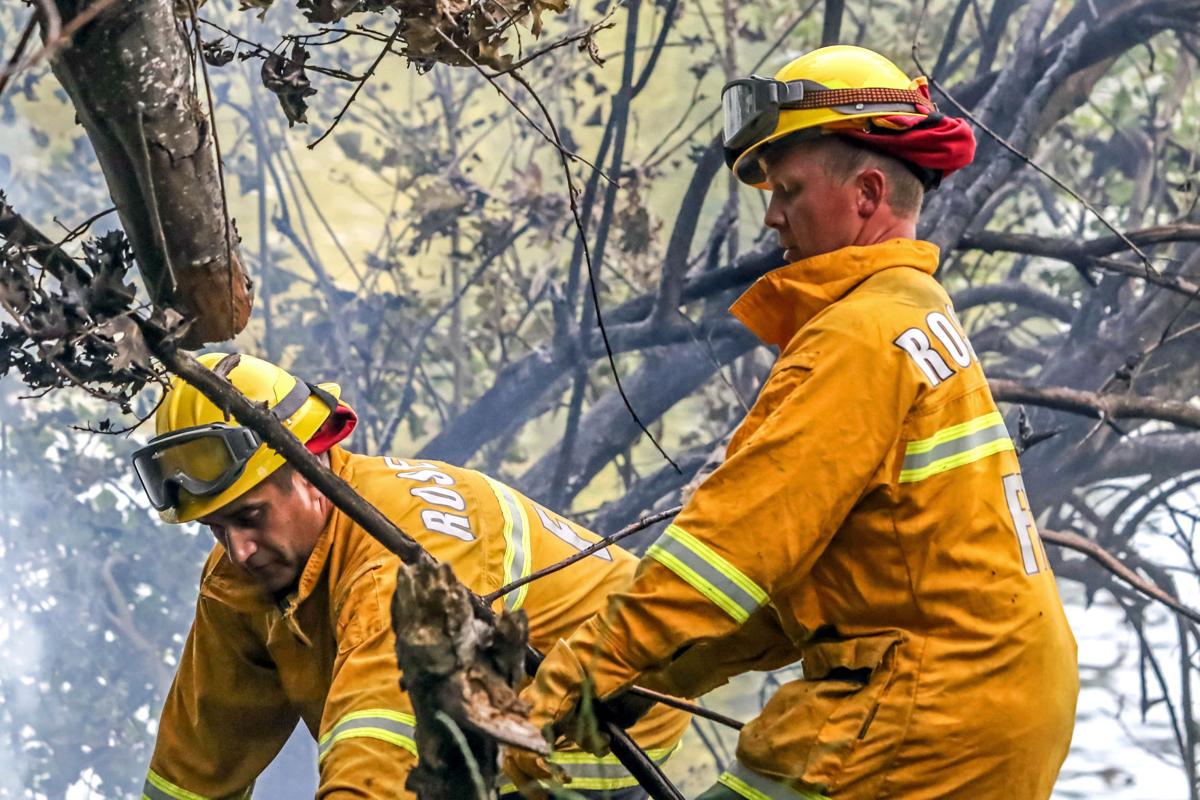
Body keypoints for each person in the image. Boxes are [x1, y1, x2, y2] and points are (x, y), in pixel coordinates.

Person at [504, 45, 1079, 800]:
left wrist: (553, 692)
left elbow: (722, 554)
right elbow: (794, 587)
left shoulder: (857, 340)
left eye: (789, 189)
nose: (771, 214)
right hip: (994, 696)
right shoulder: (916, 314)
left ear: (868, 192)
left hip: (917, 708)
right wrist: (662, 676)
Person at [131, 352, 688, 800]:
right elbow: (197, 763)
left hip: (596, 736)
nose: (240, 549)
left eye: (250, 517)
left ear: (311, 462)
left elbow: (382, 747)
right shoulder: (241, 578)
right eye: (216, 528)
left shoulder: (389, 560)